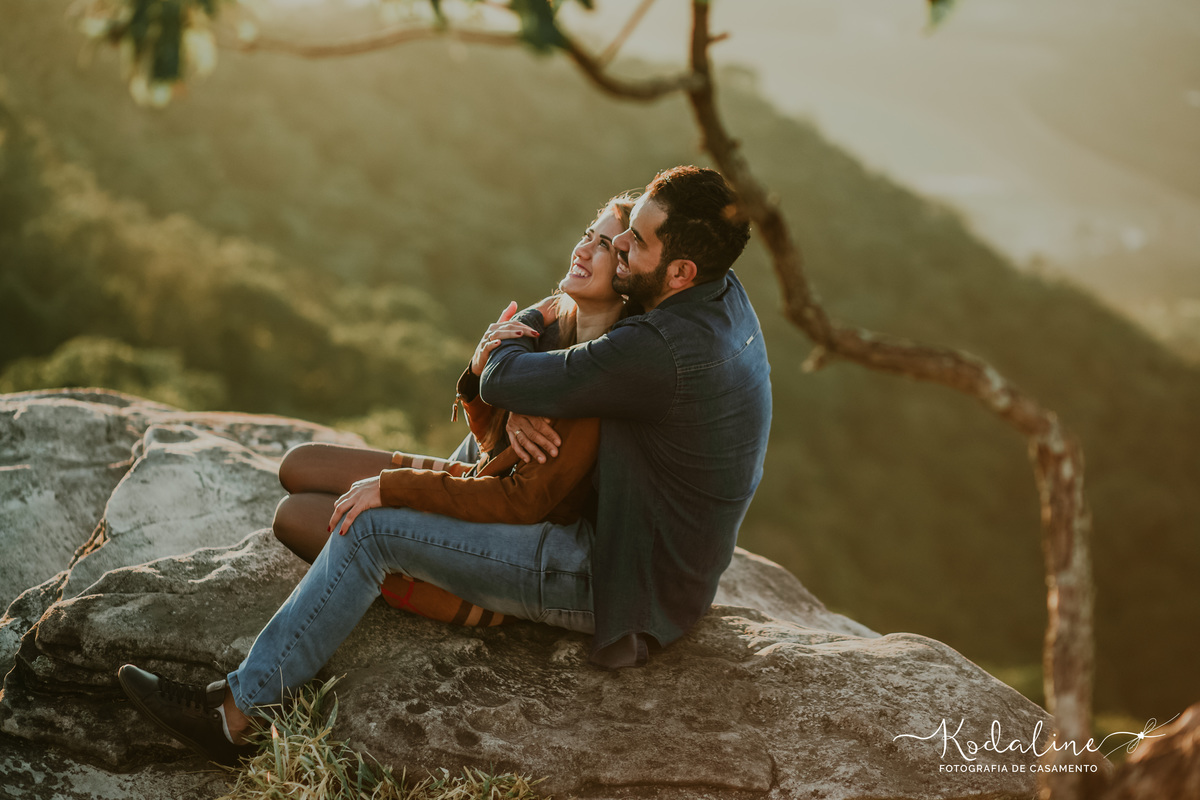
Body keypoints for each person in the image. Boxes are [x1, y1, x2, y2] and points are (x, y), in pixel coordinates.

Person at [117, 166, 771, 767]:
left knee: (369, 531)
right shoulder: (716, 287)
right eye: (616, 233)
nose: (620, 244)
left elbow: (513, 387)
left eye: (633, 242)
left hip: (612, 575)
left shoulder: (653, 350)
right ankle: (447, 575)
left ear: (680, 272)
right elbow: (530, 359)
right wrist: (520, 394)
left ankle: (237, 720)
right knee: (320, 482)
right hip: (637, 540)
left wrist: (512, 382)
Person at [267, 193, 634, 628]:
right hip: (483, 480)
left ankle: (461, 601)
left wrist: (395, 490)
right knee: (300, 465)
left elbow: (521, 503)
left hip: (505, 535)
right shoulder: (553, 318)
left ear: (629, 272)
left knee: (297, 518)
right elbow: (489, 445)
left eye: (605, 247)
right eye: (588, 236)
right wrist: (483, 376)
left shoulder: (603, 371)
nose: (583, 250)